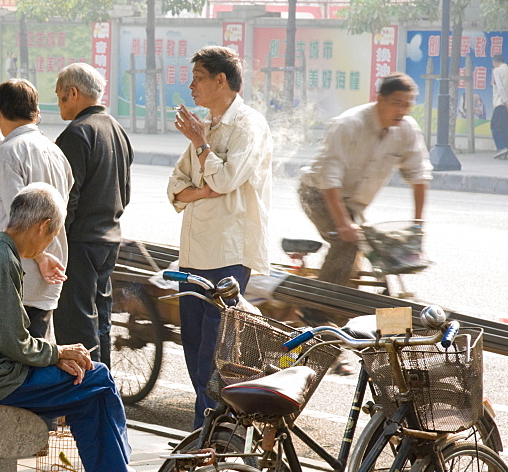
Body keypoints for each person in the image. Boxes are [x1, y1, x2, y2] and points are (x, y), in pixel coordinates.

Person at [0, 183, 147, 472]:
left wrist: (58, 356)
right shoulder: (0, 262)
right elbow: (16, 343)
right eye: (53, 234)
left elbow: (9, 340)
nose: (50, 242)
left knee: (87, 392)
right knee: (97, 376)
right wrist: (59, 352)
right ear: (42, 227)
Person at [167, 46, 273, 429]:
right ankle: (210, 430)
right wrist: (200, 188)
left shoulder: (248, 125)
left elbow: (227, 180)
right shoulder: (207, 126)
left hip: (227, 254)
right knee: (194, 349)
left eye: (197, 77)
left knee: (215, 354)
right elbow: (175, 187)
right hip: (195, 253)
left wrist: (201, 147)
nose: (191, 86)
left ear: (220, 80)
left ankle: (208, 436)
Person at [298, 73, 432, 292]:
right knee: (346, 244)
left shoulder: (406, 129)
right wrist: (343, 224)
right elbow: (329, 178)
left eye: (407, 105)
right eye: (396, 103)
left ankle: (356, 308)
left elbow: (419, 176)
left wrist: (418, 225)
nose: (401, 111)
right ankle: (318, 311)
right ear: (379, 99)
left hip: (354, 204)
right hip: (317, 193)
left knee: (379, 249)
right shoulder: (348, 125)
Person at [53, 63, 133, 367]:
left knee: (77, 323)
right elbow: (125, 192)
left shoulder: (76, 134)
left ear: (73, 93)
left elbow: (67, 199)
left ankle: (87, 393)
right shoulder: (116, 129)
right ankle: (104, 381)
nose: (60, 103)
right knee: (100, 318)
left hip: (80, 241)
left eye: (61, 96)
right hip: (108, 239)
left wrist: (55, 243)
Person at [0, 79, 74, 338]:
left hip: (21, 267)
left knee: (14, 353)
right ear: (36, 114)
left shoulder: (8, 152)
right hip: (53, 264)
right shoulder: (55, 151)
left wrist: (40, 255)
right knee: (38, 346)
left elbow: (20, 220)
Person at [492, 54, 508, 159]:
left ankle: (502, 147)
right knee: (505, 126)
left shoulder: (497, 71)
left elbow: (500, 87)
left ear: (495, 62)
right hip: (505, 103)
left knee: (495, 125)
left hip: (501, 102)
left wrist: (505, 100)